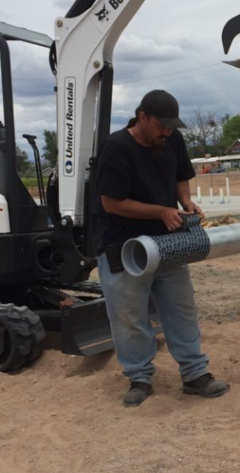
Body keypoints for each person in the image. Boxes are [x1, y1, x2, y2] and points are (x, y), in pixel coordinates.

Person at [92, 89, 229, 407]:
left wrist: (184, 201)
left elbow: (182, 175)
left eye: (171, 127)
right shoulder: (116, 148)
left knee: (182, 309)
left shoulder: (171, 140)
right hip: (122, 246)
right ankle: (139, 378)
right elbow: (111, 203)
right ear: (143, 117)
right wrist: (160, 211)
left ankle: (195, 375)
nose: (166, 132)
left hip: (166, 242)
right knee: (129, 316)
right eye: (161, 126)